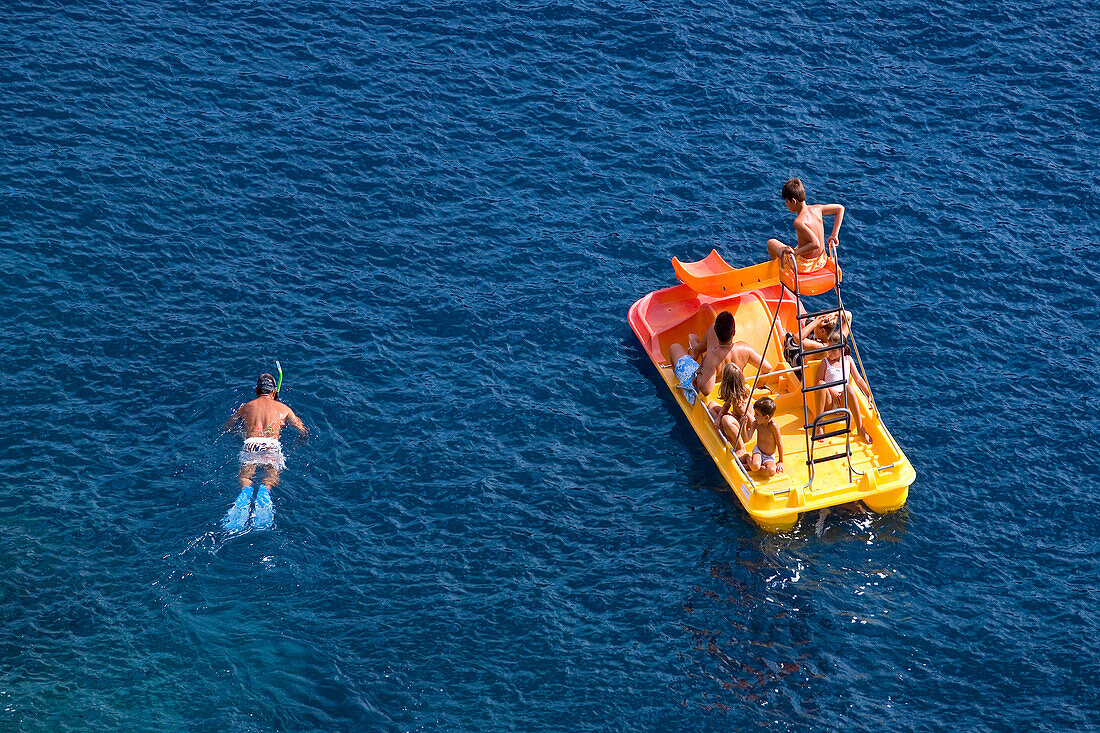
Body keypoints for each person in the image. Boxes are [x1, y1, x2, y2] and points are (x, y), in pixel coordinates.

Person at [223, 373, 308, 490]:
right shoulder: (284, 409)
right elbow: (302, 429)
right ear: (274, 392)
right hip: (271, 445)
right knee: (271, 476)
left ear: (256, 390)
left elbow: (227, 426)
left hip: (252, 444)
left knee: (245, 477)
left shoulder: (246, 407)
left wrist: (237, 434)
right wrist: (302, 439)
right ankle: (265, 491)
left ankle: (245, 492)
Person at [811, 322, 875, 444]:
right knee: (821, 386)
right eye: (829, 349)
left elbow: (858, 379)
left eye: (834, 351)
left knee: (850, 388)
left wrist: (869, 394)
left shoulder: (848, 360)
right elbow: (818, 382)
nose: (830, 353)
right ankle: (819, 425)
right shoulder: (825, 363)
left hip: (842, 403)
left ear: (841, 350)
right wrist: (831, 390)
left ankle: (860, 428)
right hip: (829, 401)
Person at [766, 178, 845, 274]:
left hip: (805, 265)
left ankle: (776, 273)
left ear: (794, 201)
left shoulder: (799, 222)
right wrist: (834, 235)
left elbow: (815, 244)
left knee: (771, 243)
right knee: (797, 246)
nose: (786, 204)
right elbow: (840, 209)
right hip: (821, 260)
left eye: (787, 201)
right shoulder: (817, 209)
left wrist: (795, 253)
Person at [709, 363, 754, 460]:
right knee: (712, 405)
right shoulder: (734, 395)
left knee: (726, 419)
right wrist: (718, 417)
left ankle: (740, 447)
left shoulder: (739, 403)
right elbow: (726, 405)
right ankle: (724, 436)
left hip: (744, 431)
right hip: (737, 423)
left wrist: (745, 424)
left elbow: (752, 421)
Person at [747, 396, 783, 477]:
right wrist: (744, 425)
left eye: (757, 414)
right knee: (755, 465)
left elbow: (779, 443)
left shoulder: (773, 426)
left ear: (766, 417)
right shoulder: (756, 423)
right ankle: (747, 458)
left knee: (771, 471)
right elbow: (748, 438)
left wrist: (780, 461)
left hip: (769, 456)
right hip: (758, 451)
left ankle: (750, 466)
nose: (754, 416)